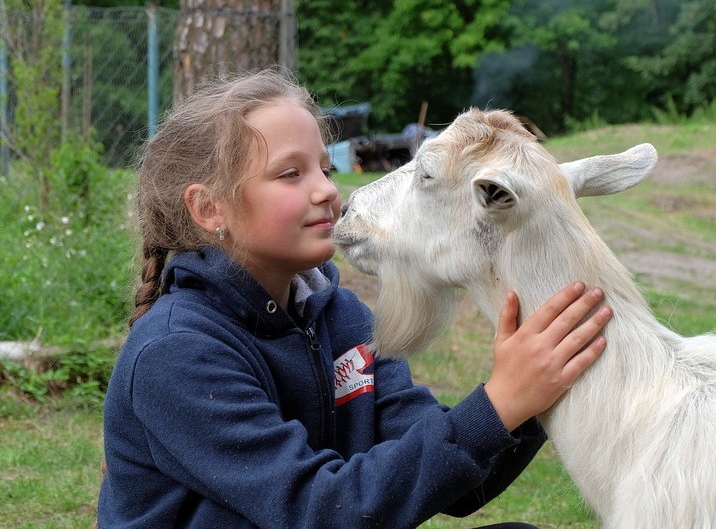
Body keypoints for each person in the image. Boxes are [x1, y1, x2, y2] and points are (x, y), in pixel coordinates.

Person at [98, 68, 612, 528]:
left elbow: (454, 481)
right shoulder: (176, 353)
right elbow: (321, 508)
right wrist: (500, 403)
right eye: (290, 173)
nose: (326, 189)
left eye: (323, 167)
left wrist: (530, 394)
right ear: (209, 208)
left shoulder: (339, 317)